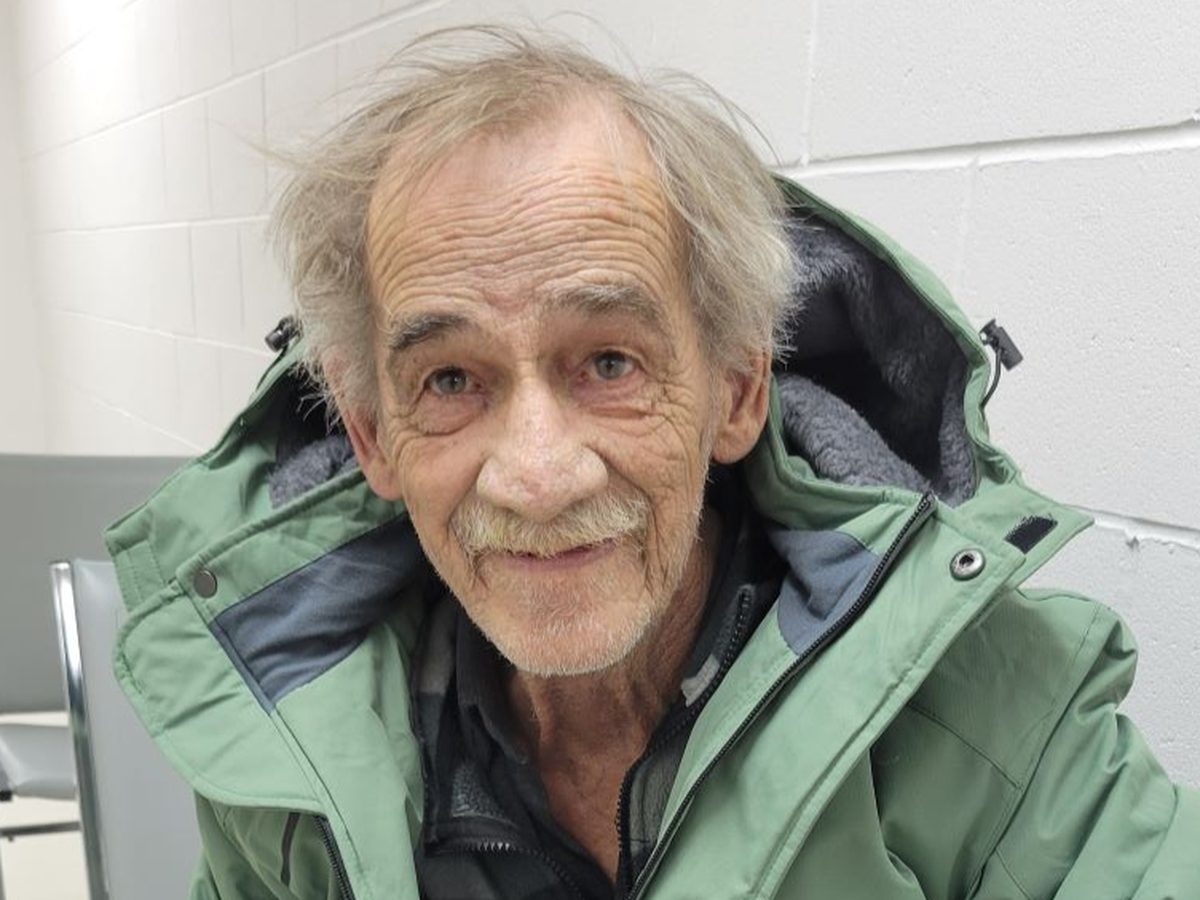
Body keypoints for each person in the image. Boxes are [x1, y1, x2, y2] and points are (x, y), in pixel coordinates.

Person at [107, 26, 1199, 900]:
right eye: (449, 380)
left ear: (737, 388)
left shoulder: (999, 720)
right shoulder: (288, 752)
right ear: (372, 436)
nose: (538, 478)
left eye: (609, 362)